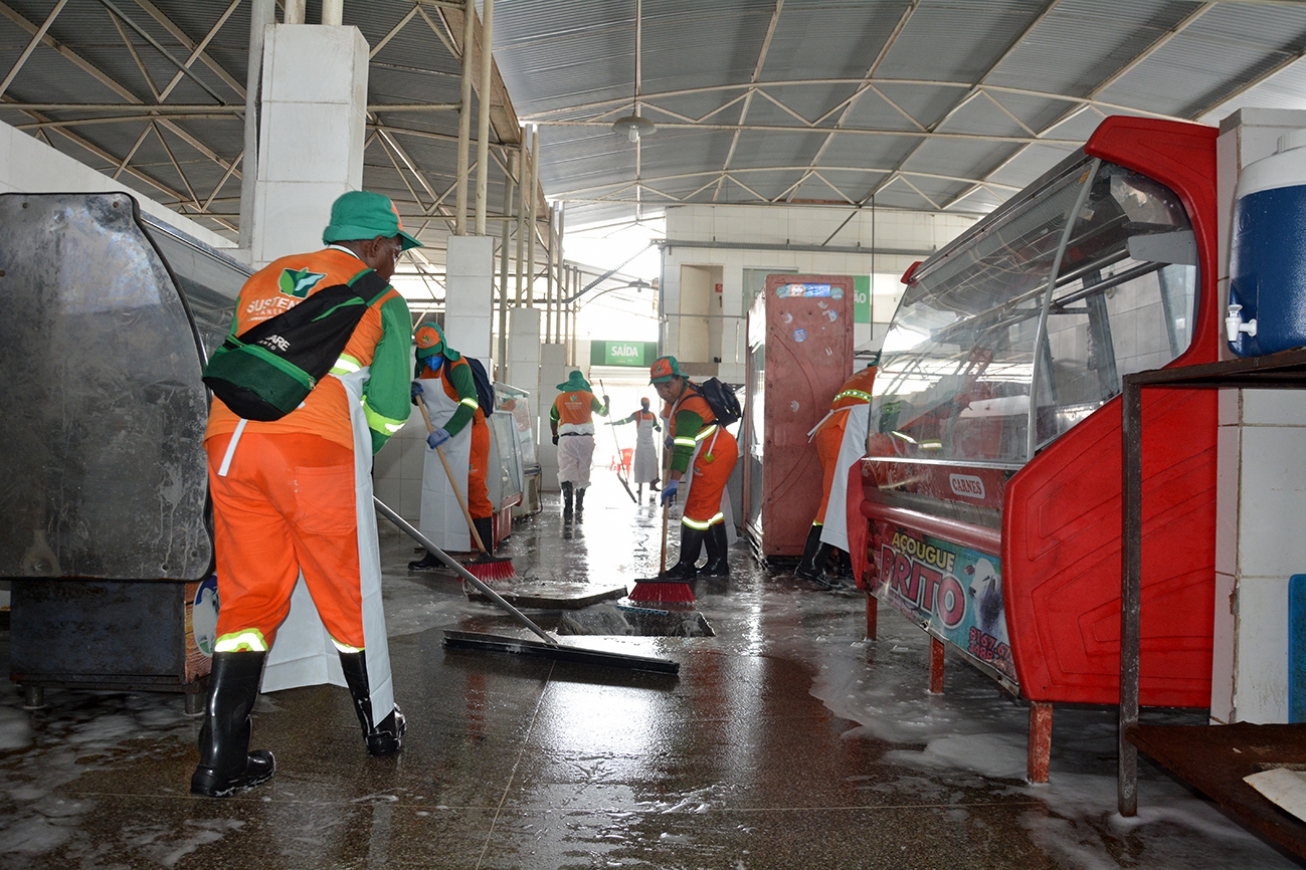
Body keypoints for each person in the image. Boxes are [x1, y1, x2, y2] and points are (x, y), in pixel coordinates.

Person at [194, 190, 417, 797]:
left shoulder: (264, 276)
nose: (395, 260)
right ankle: (379, 729)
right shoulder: (381, 296)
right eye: (395, 248)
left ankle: (221, 758)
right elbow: (393, 407)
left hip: (231, 441)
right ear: (374, 245)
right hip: (313, 448)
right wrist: (360, 449)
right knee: (349, 590)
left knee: (248, 597)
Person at [408, 323, 493, 570]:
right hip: (438, 436)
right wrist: (414, 395)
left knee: (474, 488)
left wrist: (449, 430)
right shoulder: (421, 365)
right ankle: (436, 555)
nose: (432, 359)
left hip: (469, 430)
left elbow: (469, 402)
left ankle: (484, 552)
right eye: (427, 355)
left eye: (435, 354)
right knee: (435, 491)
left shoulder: (457, 366)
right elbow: (423, 403)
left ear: (442, 346)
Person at [651, 356, 738, 579]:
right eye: (659, 387)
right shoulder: (682, 394)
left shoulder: (690, 404)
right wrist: (674, 435)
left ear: (680, 379)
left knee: (696, 510)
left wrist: (672, 482)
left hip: (714, 454)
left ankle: (686, 566)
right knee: (709, 509)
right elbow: (679, 428)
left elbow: (683, 449)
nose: (664, 392)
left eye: (668, 385)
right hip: (714, 449)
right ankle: (718, 564)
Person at [798, 357, 878, 586]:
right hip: (846, 431)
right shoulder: (886, 378)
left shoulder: (865, 375)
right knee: (837, 500)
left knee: (847, 499)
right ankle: (810, 567)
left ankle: (847, 566)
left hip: (832, 430)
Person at [550, 370, 608, 520]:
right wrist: (607, 404)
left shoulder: (560, 398)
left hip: (567, 439)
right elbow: (602, 412)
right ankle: (579, 503)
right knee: (583, 469)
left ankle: (568, 504)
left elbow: (552, 417)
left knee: (566, 470)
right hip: (585, 440)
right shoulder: (589, 397)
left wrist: (554, 434)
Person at [609, 397, 661, 500]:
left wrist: (658, 428)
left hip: (650, 443)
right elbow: (626, 420)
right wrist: (614, 423)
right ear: (642, 405)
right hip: (641, 443)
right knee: (640, 464)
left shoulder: (652, 415)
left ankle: (653, 484)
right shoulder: (637, 414)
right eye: (645, 405)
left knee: (652, 464)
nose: (647, 406)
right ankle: (640, 487)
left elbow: (655, 425)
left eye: (648, 405)